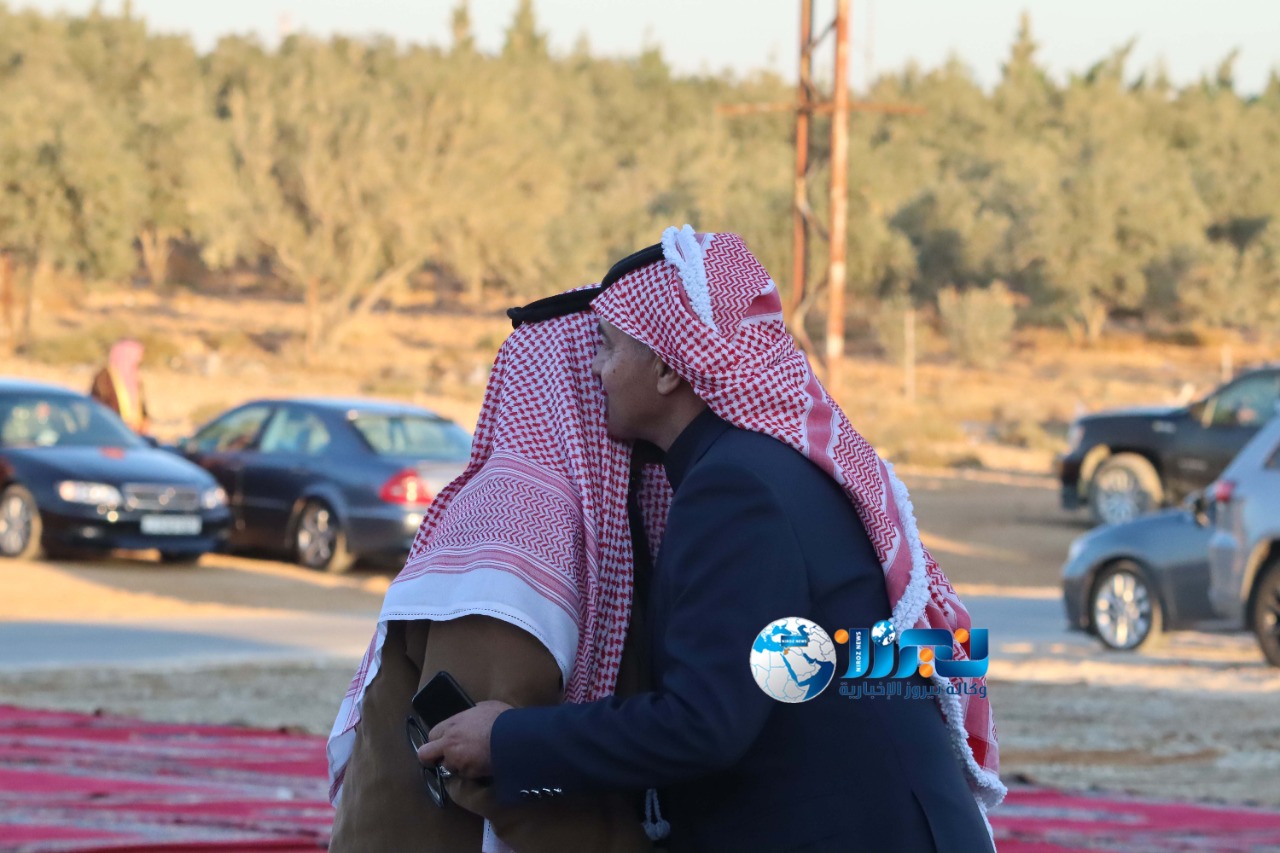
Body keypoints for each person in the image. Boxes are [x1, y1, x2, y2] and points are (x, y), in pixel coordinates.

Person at [420, 227, 1005, 853]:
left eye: (609, 347)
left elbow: (704, 724)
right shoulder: (760, 466)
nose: (596, 370)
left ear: (667, 368)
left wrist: (506, 741)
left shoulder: (733, 488)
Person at [326, 292, 672, 853]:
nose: (603, 369)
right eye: (604, 350)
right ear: (569, 385)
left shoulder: (584, 515)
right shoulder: (516, 522)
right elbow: (481, 762)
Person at [89, 338, 149, 434]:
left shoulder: (136, 377)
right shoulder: (104, 377)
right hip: (111, 430)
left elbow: (141, 404)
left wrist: (144, 420)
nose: (139, 359)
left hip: (133, 432)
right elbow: (98, 405)